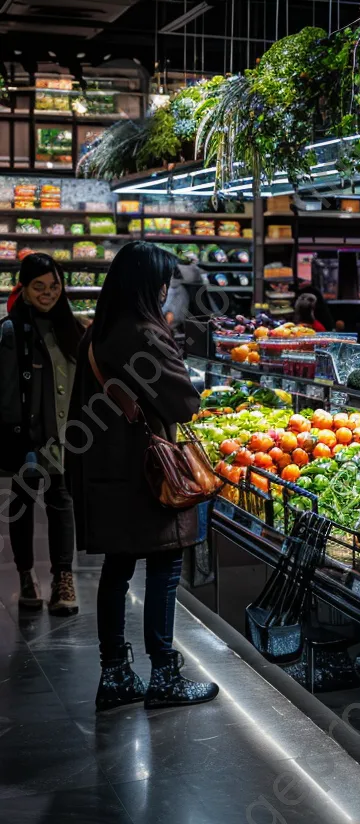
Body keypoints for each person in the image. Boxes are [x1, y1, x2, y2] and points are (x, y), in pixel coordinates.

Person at [66, 241, 219, 712]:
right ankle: (165, 676)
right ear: (149, 285)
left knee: (117, 570)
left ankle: (115, 674)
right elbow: (185, 404)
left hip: (105, 472)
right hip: (147, 474)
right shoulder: (145, 334)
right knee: (165, 565)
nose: (166, 289)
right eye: (163, 281)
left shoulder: (97, 333)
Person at [0, 253, 82, 614]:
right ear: (25, 287)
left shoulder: (72, 327)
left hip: (64, 434)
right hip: (23, 434)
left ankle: (64, 578)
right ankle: (26, 575)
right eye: (39, 287)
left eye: (54, 286)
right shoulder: (11, 329)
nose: (48, 293)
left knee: (61, 501)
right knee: (22, 501)